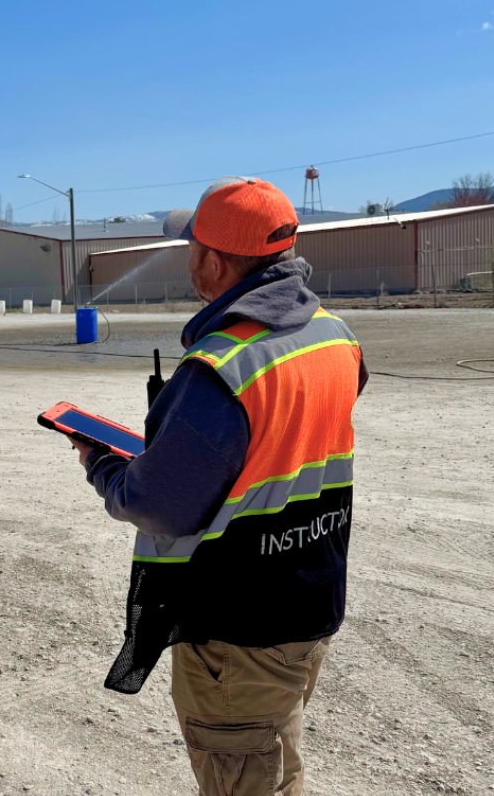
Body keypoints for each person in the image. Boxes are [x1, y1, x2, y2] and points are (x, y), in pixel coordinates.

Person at [70, 177, 367, 796]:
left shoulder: (223, 366)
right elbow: (286, 434)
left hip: (240, 627)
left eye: (193, 245)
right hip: (309, 602)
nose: (188, 258)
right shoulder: (336, 337)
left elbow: (157, 504)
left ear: (214, 258)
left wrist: (102, 464)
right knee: (275, 767)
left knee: (247, 778)